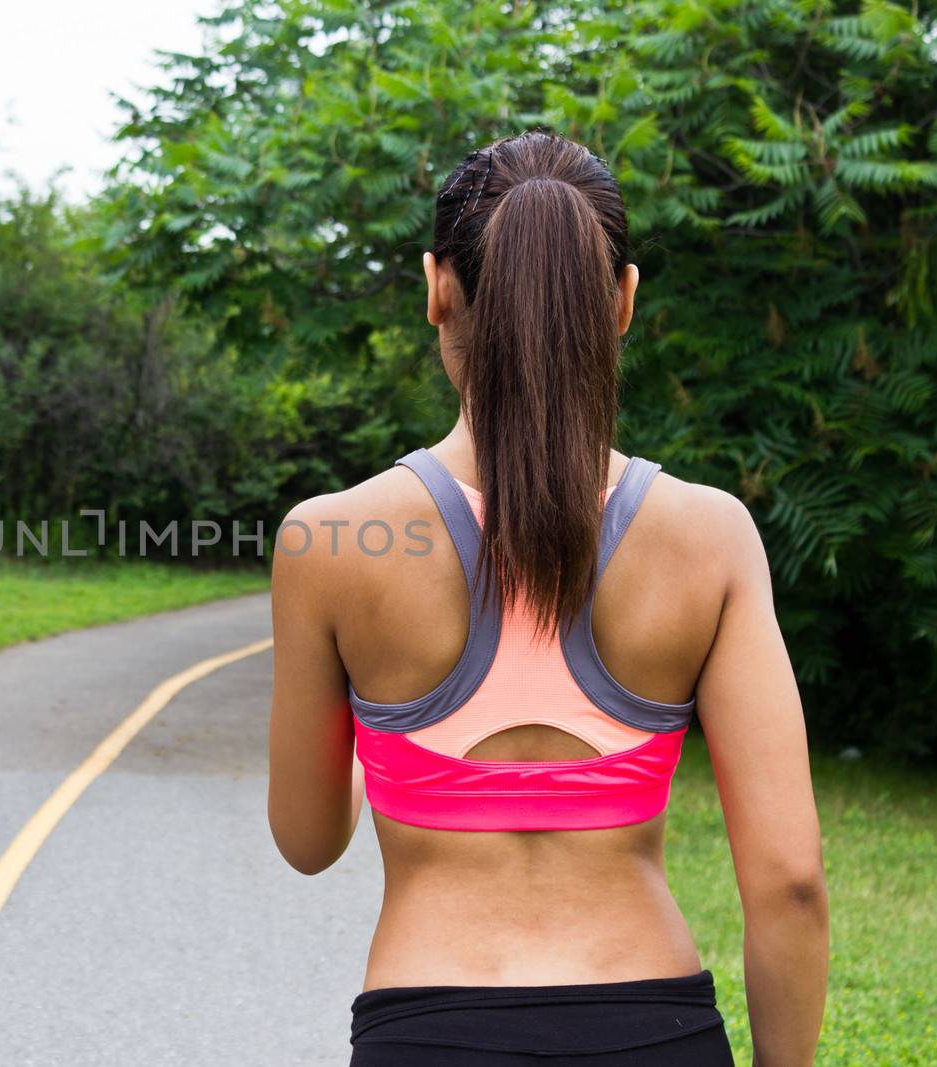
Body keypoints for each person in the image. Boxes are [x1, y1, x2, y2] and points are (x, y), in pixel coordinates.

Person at [266, 128, 829, 1066]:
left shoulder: (327, 540)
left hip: (429, 1031)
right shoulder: (710, 536)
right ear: (622, 300)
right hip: (657, 1031)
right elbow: (791, 882)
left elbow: (308, 838)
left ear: (436, 285)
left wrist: (385, 735)